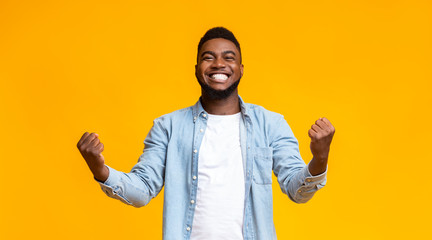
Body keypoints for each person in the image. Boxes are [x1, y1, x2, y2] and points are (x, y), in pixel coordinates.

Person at [77, 27, 335, 240]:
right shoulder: (168, 127)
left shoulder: (270, 124)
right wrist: (100, 169)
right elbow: (143, 190)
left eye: (228, 57)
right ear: (197, 67)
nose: (219, 64)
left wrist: (319, 158)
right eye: (208, 57)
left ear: (242, 68)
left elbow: (296, 191)